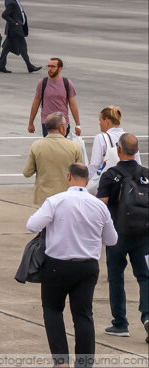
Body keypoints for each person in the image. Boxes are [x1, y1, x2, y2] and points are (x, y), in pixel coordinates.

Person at [27, 162, 118, 364]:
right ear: (87, 180)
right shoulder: (98, 206)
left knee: (52, 310)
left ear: (68, 177)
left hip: (57, 265)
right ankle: (84, 363)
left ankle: (61, 361)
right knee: (83, 314)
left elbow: (32, 225)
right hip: (87, 266)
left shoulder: (56, 201)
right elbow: (112, 239)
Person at [96, 134, 149, 341]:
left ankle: (120, 323)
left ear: (118, 150)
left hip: (117, 234)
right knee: (145, 276)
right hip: (144, 235)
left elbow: (101, 204)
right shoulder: (146, 174)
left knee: (116, 278)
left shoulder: (111, 175)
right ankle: (147, 315)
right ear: (136, 151)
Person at [23, 112, 86, 205]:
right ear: (61, 127)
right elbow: (80, 174)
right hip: (66, 198)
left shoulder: (36, 146)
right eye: (66, 125)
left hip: (43, 198)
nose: (67, 127)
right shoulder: (74, 147)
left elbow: (27, 172)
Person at [27, 57, 81, 137]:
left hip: (63, 124)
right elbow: (35, 104)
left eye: (53, 67)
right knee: (49, 148)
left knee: (61, 148)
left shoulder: (67, 83)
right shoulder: (42, 83)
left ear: (60, 68)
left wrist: (78, 125)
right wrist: (31, 123)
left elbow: (73, 105)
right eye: (48, 66)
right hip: (47, 124)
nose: (49, 69)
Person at [0, 0, 41, 74]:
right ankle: (30, 66)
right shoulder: (12, 3)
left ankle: (1, 66)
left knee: (6, 48)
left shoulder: (16, 1)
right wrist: (14, 23)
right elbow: (5, 15)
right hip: (15, 30)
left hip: (14, 31)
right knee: (23, 48)